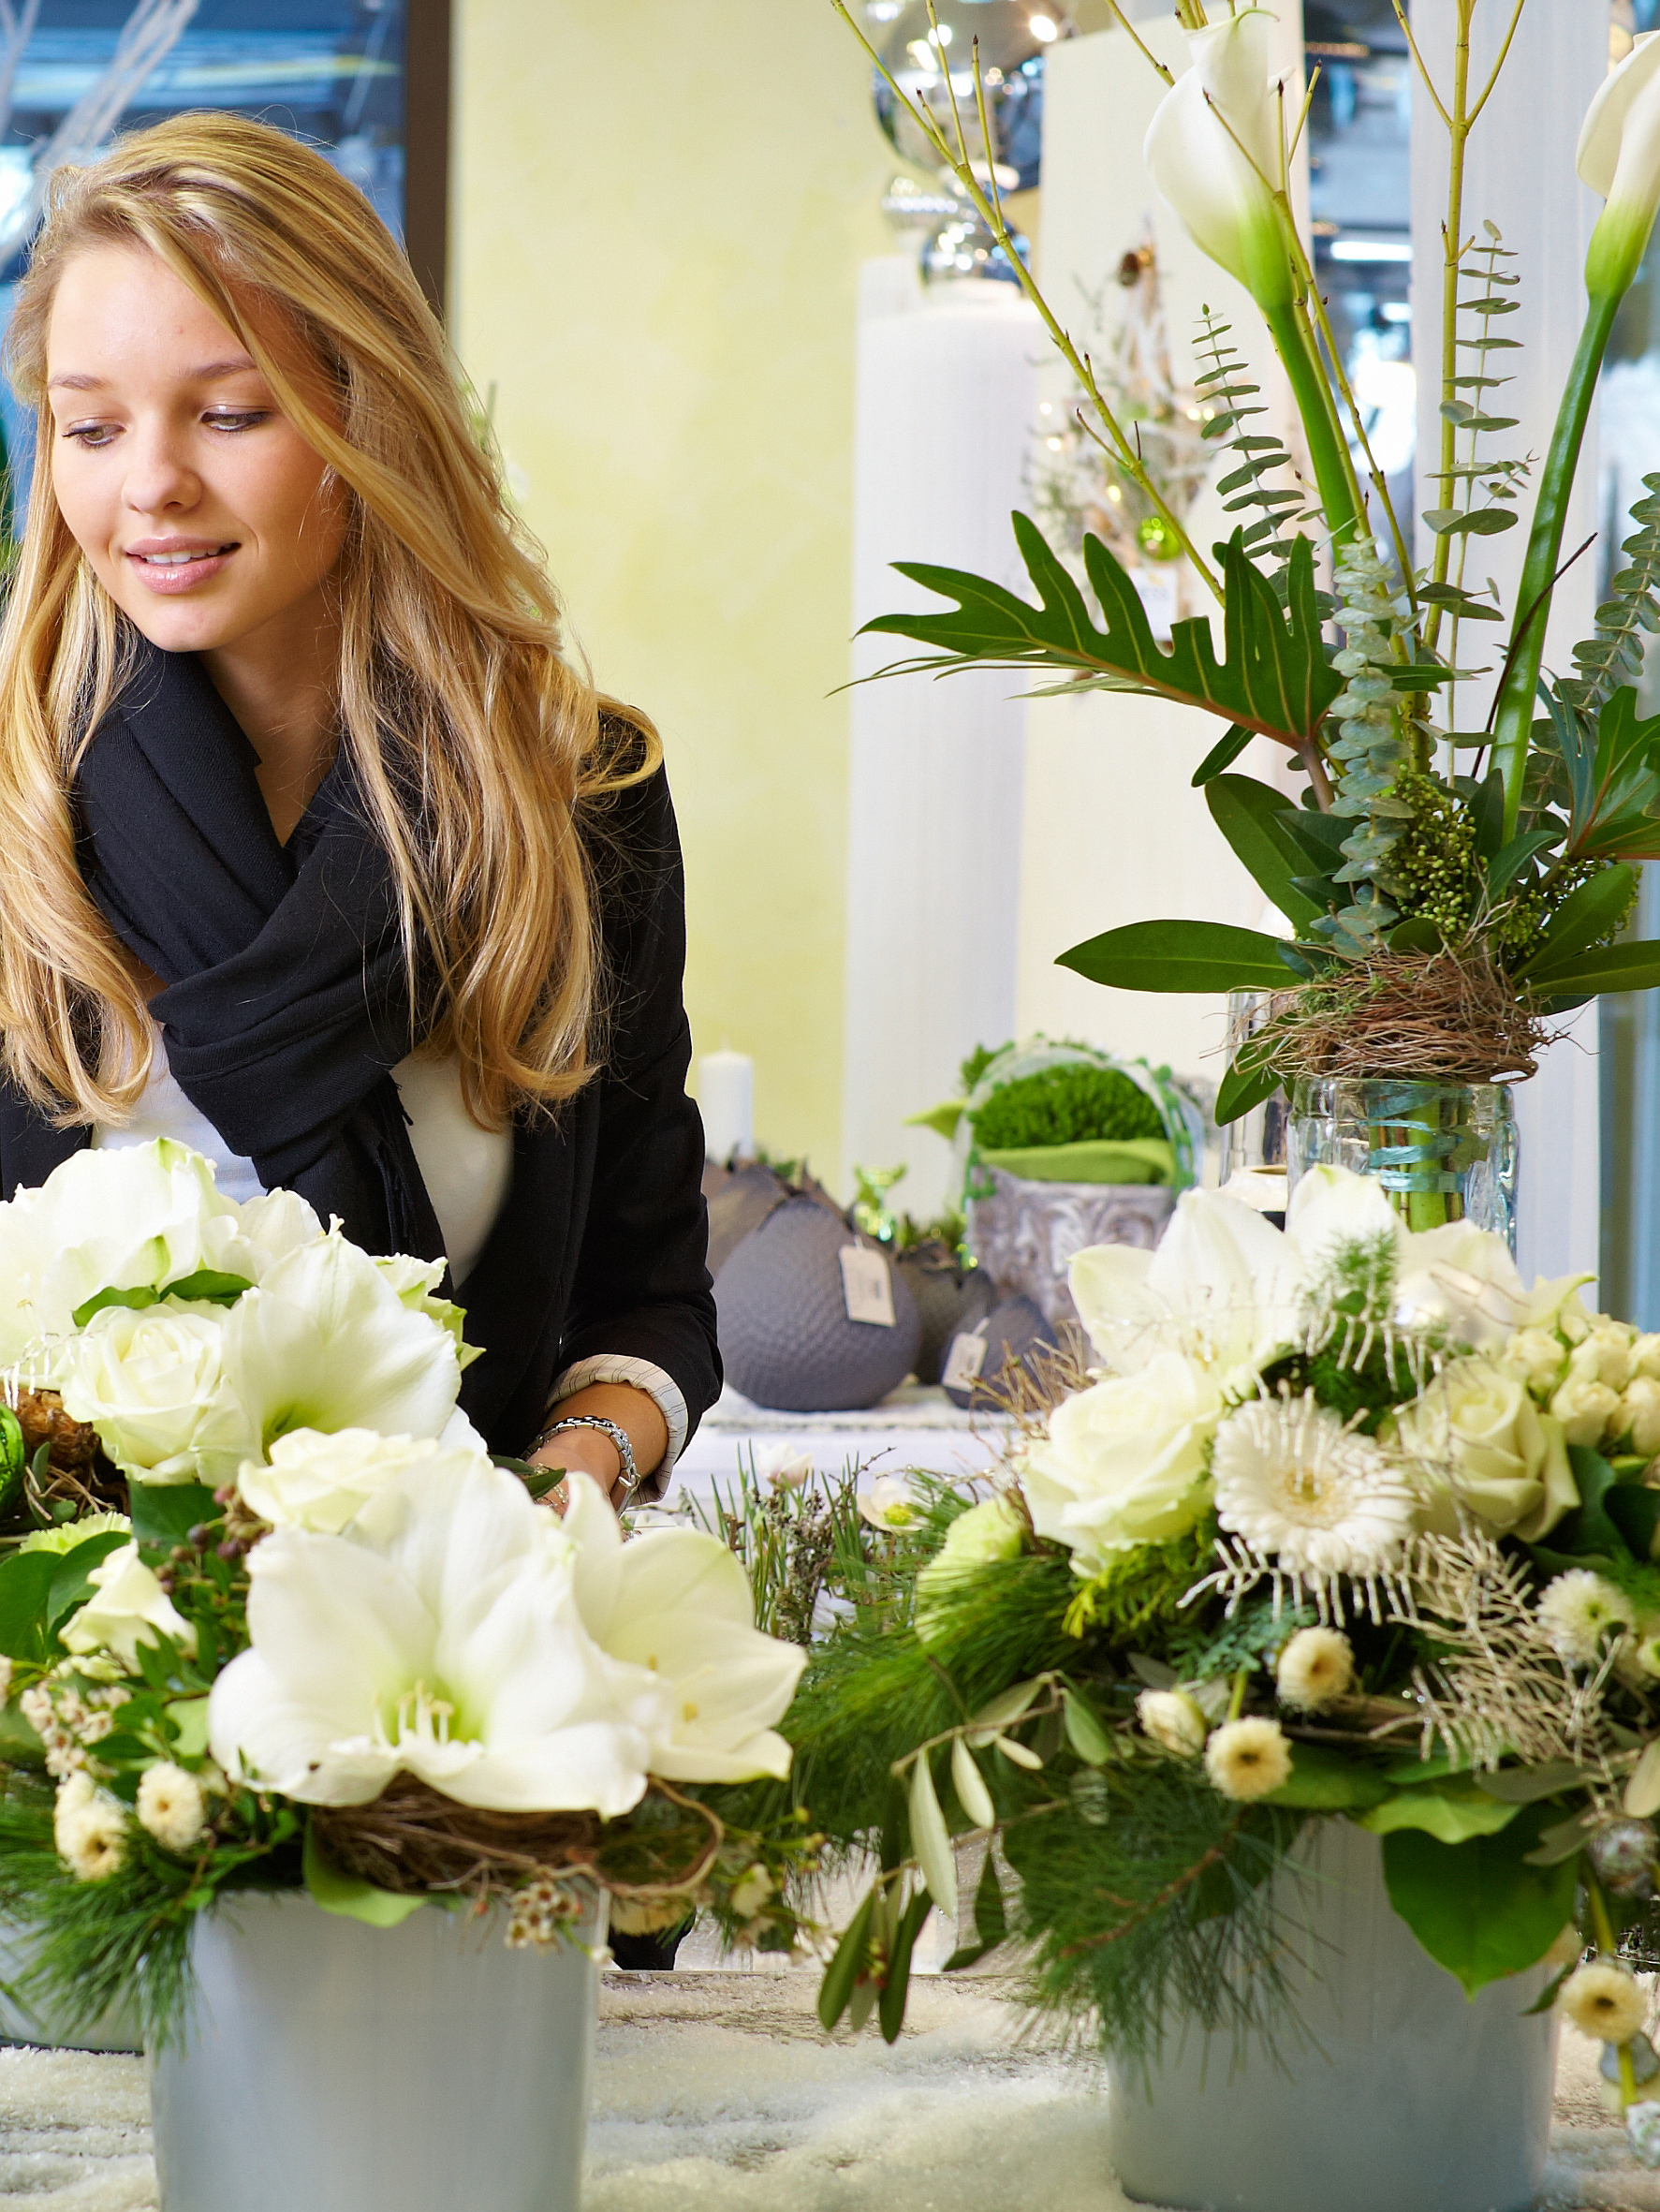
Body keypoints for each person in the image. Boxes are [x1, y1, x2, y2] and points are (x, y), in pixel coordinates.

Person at [0, 111, 721, 1526]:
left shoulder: (582, 803)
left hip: (442, 1635)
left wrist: (570, 1476)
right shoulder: (14, 812)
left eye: (228, 411)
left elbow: (645, 1298)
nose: (147, 483)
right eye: (91, 425)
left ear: (362, 411)